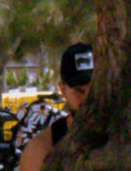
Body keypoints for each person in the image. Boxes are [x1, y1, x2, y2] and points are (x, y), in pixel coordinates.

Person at [19, 43, 93, 171]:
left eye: (95, 89)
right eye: (79, 91)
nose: (88, 98)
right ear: (63, 90)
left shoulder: (124, 143)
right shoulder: (41, 149)